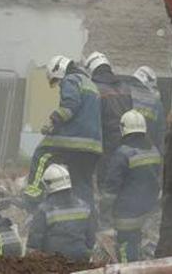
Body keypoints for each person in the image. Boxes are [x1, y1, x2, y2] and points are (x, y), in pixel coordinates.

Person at [24, 55, 102, 207]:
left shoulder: (71, 79)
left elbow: (69, 107)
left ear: (59, 70)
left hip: (74, 140)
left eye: (57, 81)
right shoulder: (91, 84)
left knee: (42, 154)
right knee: (82, 184)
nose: (59, 85)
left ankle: (33, 198)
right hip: (93, 146)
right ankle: (88, 220)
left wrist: (53, 121)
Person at [99, 111, 161, 263]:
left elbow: (111, 188)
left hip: (126, 213)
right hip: (149, 210)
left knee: (126, 246)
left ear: (123, 129)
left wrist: (103, 210)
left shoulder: (122, 153)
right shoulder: (154, 150)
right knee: (144, 249)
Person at [26, 164, 96, 262]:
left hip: (53, 264)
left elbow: (34, 245)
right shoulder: (84, 207)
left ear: (48, 184)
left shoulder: (44, 210)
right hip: (81, 261)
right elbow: (91, 240)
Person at [84, 51, 133, 156]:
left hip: (104, 143)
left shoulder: (95, 88)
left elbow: (92, 119)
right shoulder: (125, 87)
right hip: (126, 141)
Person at [130, 65, 165, 152]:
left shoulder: (124, 94)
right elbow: (160, 133)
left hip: (123, 150)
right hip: (148, 152)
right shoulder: (156, 102)